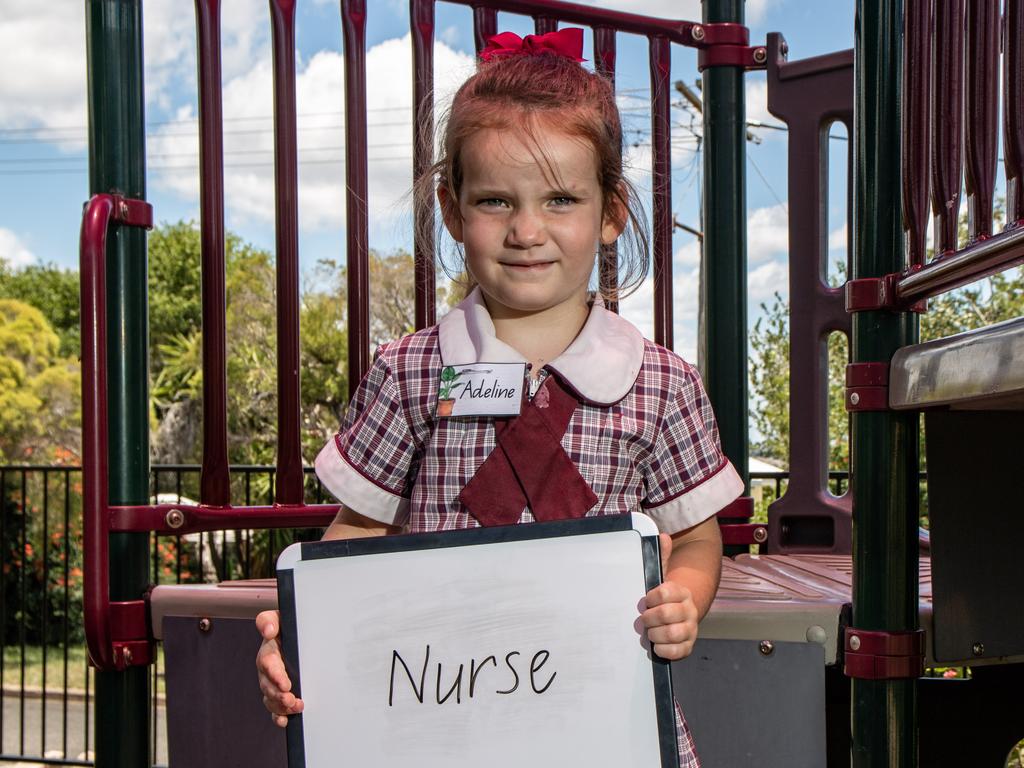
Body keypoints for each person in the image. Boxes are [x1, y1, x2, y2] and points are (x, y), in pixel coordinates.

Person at [256, 27, 743, 768]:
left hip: (610, 726)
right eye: (494, 200)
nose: (526, 230)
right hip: (438, 727)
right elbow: (355, 533)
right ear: (452, 211)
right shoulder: (406, 373)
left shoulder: (662, 382)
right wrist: (304, 635)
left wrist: (684, 599)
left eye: (560, 198)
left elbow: (701, 538)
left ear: (611, 211)